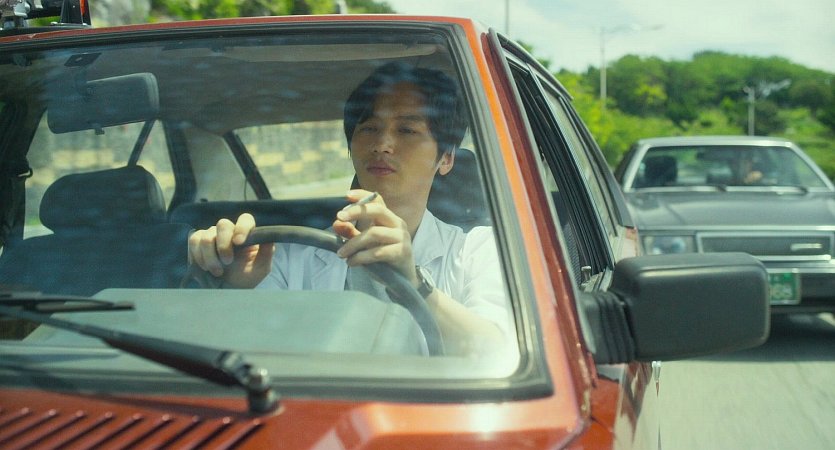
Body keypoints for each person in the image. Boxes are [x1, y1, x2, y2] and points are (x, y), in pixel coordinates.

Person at [188, 62, 511, 357]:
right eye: (369, 128)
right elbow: (244, 359)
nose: (382, 145)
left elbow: (499, 355)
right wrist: (233, 288)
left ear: (447, 157)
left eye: (407, 130)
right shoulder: (288, 257)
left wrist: (413, 283)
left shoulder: (479, 250)